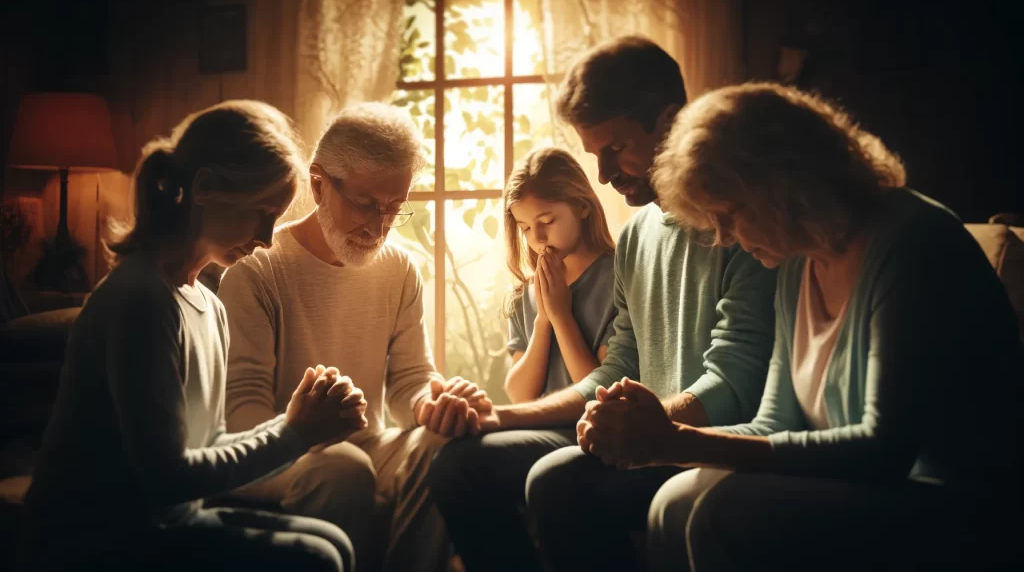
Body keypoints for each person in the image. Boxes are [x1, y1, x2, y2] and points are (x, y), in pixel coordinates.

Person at [577, 82, 1023, 571]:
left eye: (730, 214)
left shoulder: (913, 243)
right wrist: (662, 437)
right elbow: (773, 424)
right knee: (672, 502)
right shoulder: (795, 262)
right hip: (871, 487)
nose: (722, 237)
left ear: (785, 183)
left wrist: (676, 440)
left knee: (722, 514)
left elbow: (883, 450)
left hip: (954, 501)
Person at [428, 36, 777, 572]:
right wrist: (498, 416)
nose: (606, 173)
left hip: (705, 441)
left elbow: (736, 382)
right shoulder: (637, 235)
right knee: (459, 464)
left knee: (558, 483)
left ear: (668, 121)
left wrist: (649, 429)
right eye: (595, 155)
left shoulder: (744, 227)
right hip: (644, 438)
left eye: (615, 149)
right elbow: (614, 371)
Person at [17, 100, 367, 572]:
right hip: (90, 536)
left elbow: (210, 442)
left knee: (334, 543)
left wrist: (301, 426)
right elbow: (167, 477)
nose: (267, 237)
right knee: (318, 558)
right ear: (203, 187)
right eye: (261, 212)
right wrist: (293, 434)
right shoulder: (142, 300)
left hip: (162, 522)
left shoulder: (210, 306)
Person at [218, 102, 483, 572]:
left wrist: (433, 404)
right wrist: (306, 430)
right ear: (319, 184)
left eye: (394, 208)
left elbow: (410, 382)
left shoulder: (400, 269)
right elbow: (244, 417)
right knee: (344, 468)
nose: (380, 227)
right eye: (366, 204)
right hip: (277, 453)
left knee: (447, 448)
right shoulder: (257, 270)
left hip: (365, 448)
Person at [502, 146, 617, 403]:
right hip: (538, 426)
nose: (538, 238)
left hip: (593, 425)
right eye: (526, 228)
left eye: (547, 222)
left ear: (581, 207)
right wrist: (543, 320)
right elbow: (520, 396)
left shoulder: (617, 280)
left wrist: (560, 315)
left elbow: (601, 394)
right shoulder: (524, 294)